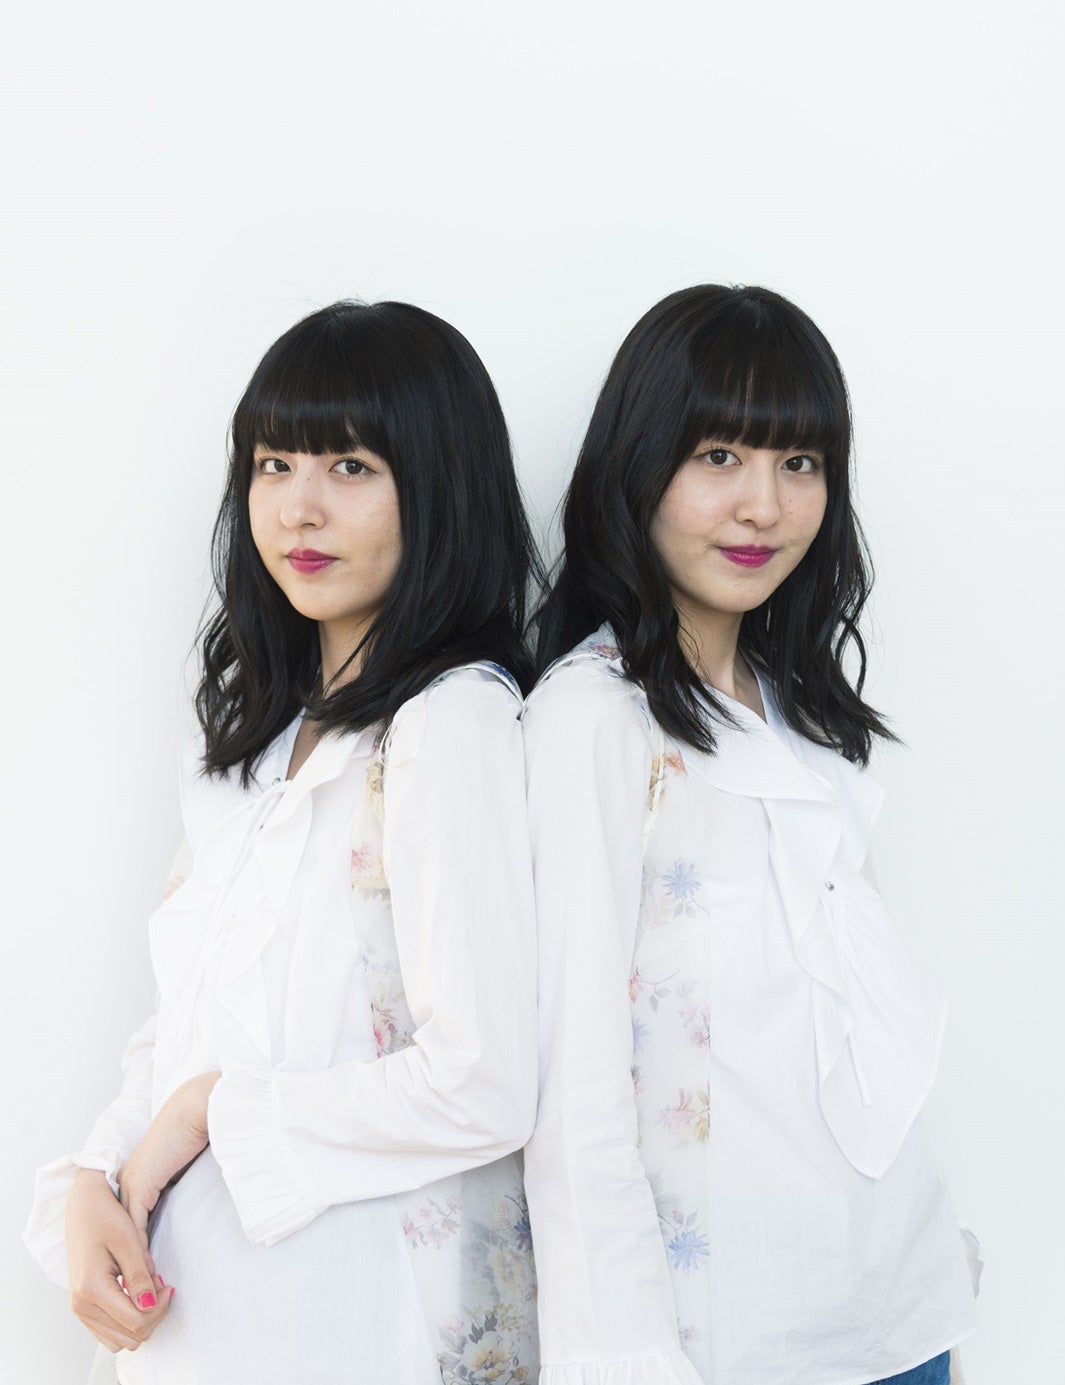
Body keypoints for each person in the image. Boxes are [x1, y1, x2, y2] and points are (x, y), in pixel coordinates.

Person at [25, 301, 541, 1385]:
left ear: (440, 482)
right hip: (195, 1328)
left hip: (356, 1330)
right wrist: (95, 1178)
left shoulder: (450, 724)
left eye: (351, 466)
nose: (299, 507)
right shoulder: (251, 744)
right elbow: (180, 1022)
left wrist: (215, 1108)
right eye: (274, 464)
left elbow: (486, 1078)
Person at [521, 285, 980, 1385]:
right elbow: (571, 1087)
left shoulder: (799, 710)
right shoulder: (593, 715)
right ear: (637, 465)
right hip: (723, 1341)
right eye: (718, 455)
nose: (764, 505)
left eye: (799, 462)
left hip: (899, 1308)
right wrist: (625, 1361)